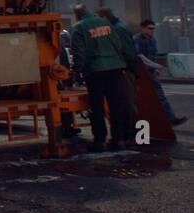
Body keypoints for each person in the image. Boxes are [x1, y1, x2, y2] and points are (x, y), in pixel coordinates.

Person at [71, 8, 138, 151]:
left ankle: (100, 140)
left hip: (95, 71)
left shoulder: (79, 27)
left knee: (97, 108)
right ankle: (118, 139)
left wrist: (76, 71)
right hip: (115, 69)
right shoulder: (105, 24)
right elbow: (118, 45)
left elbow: (79, 52)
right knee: (116, 106)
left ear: (77, 15)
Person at [133, 19, 187, 127]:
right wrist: (156, 66)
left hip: (151, 73)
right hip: (142, 74)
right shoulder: (137, 39)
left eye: (153, 28)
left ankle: (169, 119)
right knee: (145, 98)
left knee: (159, 97)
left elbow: (153, 55)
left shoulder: (152, 39)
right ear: (142, 28)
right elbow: (140, 57)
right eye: (150, 28)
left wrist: (156, 68)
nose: (152, 31)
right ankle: (158, 120)